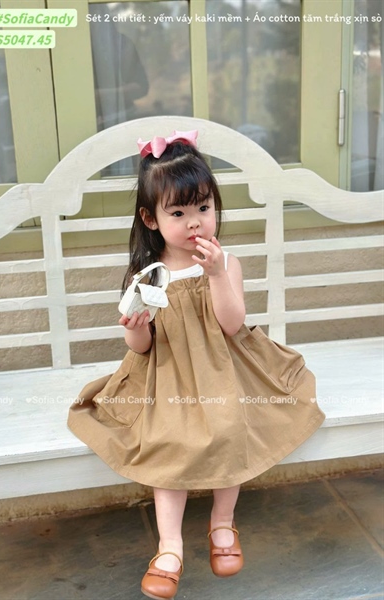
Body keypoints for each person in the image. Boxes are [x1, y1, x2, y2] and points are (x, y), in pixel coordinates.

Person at [68, 130, 325, 600]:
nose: (195, 223)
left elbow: (232, 324)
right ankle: (170, 545)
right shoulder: (149, 275)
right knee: (168, 439)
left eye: (204, 208)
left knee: (231, 424)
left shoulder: (226, 263)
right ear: (151, 218)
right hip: (168, 373)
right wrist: (135, 326)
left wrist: (217, 274)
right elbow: (142, 347)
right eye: (178, 213)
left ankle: (222, 522)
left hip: (227, 366)